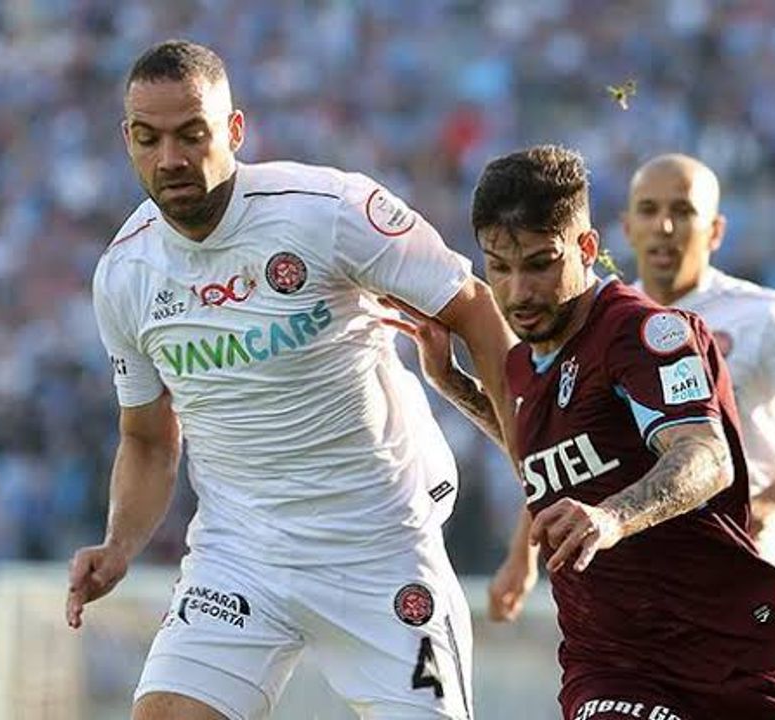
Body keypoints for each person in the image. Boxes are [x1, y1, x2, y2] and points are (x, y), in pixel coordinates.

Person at [64, 40, 515, 720]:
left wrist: (536, 456)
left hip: (380, 545)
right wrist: (120, 544)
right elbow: (150, 439)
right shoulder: (125, 275)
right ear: (127, 140)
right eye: (149, 138)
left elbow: (475, 308)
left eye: (191, 134)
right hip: (241, 555)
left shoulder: (328, 210)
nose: (171, 158)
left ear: (234, 130)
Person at [392, 145, 775, 718]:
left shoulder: (646, 334)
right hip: (613, 663)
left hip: (726, 650)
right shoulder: (524, 364)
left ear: (587, 248)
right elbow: (540, 457)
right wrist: (453, 384)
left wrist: (610, 517)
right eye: (499, 268)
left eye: (540, 264)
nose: (518, 291)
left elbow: (705, 454)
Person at [486, 154, 775, 619]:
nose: (664, 226)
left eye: (683, 211)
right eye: (649, 210)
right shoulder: (590, 324)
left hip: (731, 573)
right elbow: (556, 448)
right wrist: (522, 555)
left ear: (716, 231)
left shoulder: (764, 315)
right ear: (627, 228)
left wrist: (774, 501)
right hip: (631, 585)